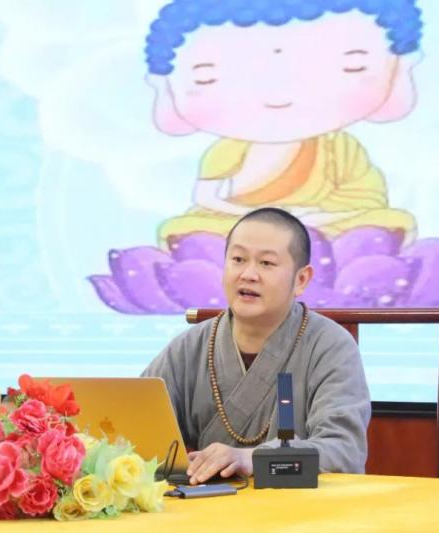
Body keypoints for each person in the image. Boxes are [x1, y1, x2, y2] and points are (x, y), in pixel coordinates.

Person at [144, 0, 423, 245]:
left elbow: (364, 196)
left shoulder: (339, 147)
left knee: (389, 223)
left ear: (398, 68)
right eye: (207, 78)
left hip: (323, 221)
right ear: (168, 86)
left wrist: (320, 215)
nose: (278, 95)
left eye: (351, 67)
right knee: (190, 231)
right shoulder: (228, 150)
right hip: (240, 222)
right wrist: (256, 215)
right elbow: (206, 198)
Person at [142, 207, 371, 484]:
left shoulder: (330, 346)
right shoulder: (190, 346)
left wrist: (252, 459)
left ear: (301, 280)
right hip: (208, 505)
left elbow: (344, 453)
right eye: (238, 259)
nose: (248, 274)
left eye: (266, 263)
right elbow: (135, 430)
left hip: (299, 507)